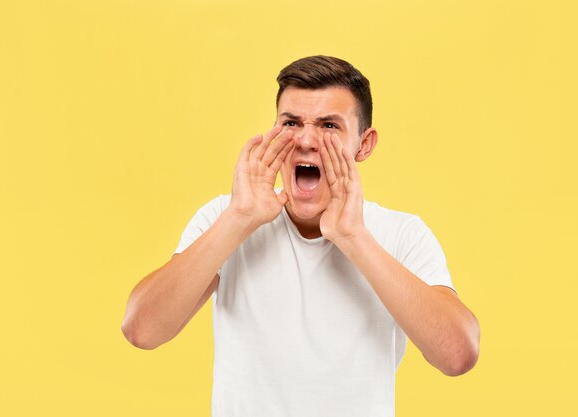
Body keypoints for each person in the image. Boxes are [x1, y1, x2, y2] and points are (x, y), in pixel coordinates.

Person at [121, 55, 480, 417]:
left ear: (364, 145)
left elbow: (457, 355)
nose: (307, 140)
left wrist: (353, 236)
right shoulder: (225, 218)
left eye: (329, 126)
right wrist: (240, 218)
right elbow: (142, 329)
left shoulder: (401, 234)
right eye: (291, 122)